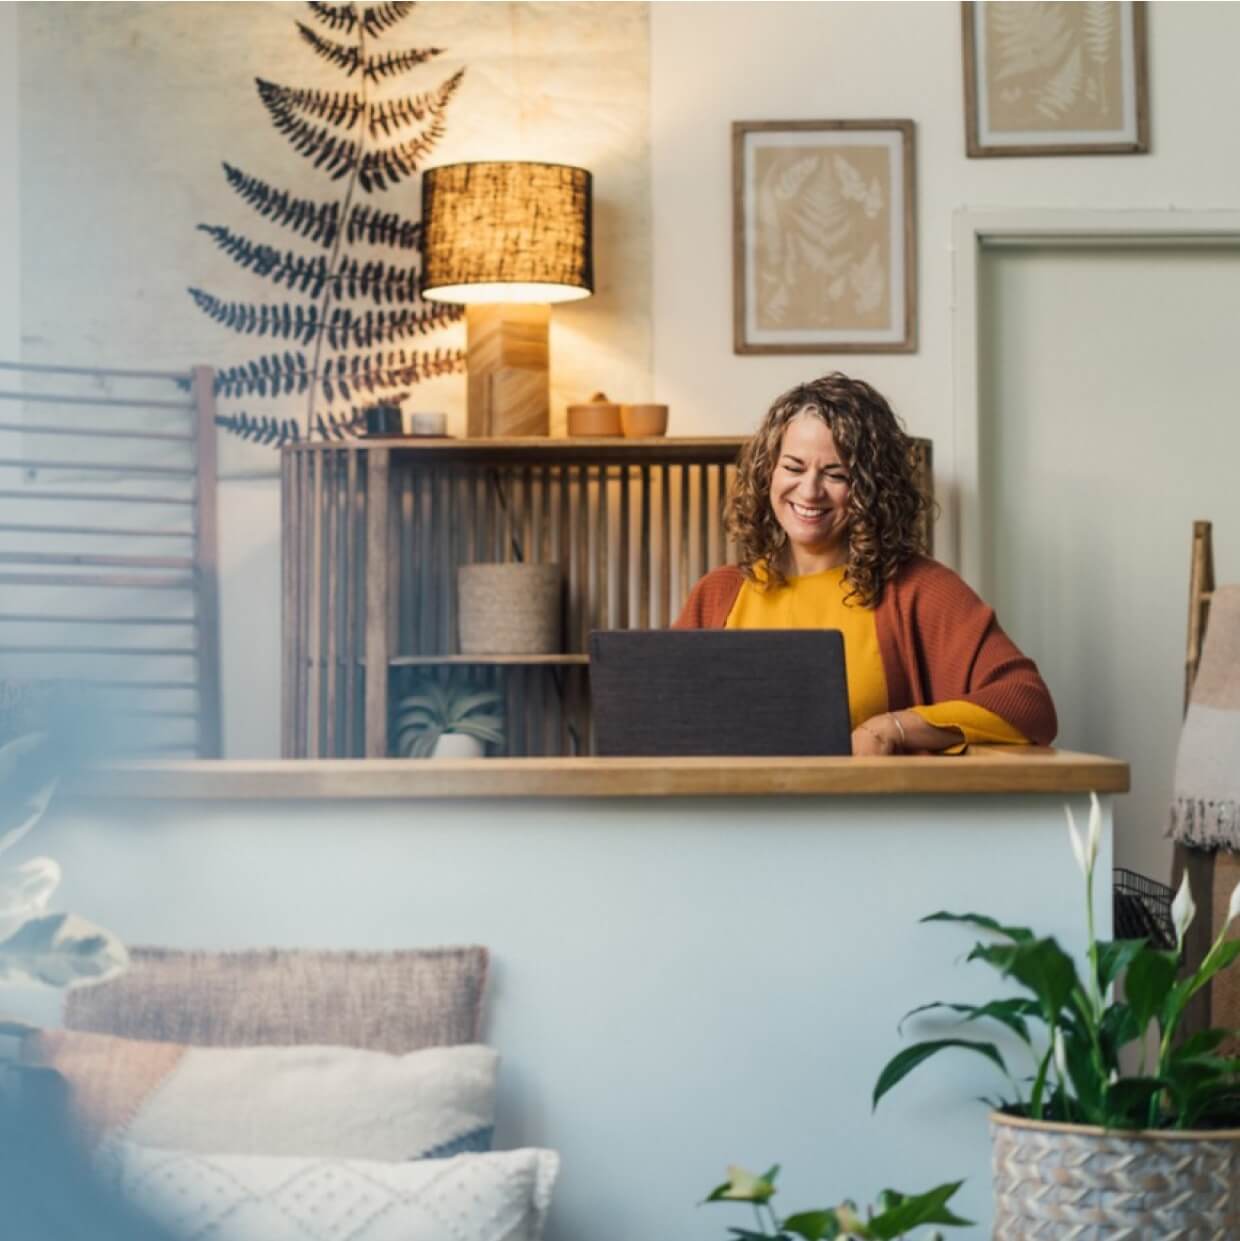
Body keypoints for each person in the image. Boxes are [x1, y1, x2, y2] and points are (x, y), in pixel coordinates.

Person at [674, 372, 1056, 755]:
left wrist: (891, 728)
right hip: (734, 810)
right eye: (793, 467)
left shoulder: (918, 589)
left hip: (862, 812)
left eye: (836, 474)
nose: (810, 491)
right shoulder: (719, 593)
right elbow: (660, 714)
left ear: (872, 487)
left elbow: (1027, 703)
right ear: (767, 472)